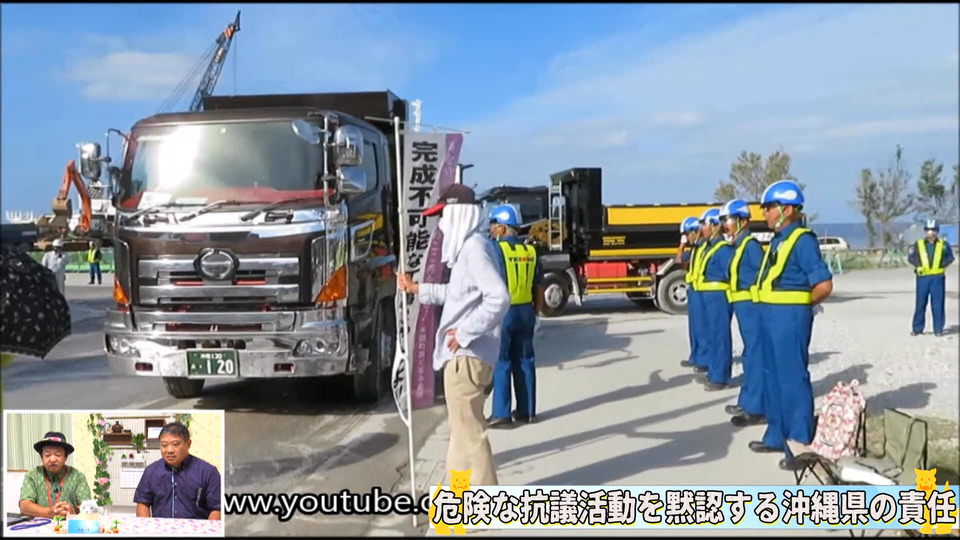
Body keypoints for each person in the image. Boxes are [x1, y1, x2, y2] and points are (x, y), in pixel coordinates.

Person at [397, 184, 510, 487]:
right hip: (465, 357)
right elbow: (457, 293)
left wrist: (464, 332)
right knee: (461, 437)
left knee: (470, 436)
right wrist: (418, 289)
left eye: (443, 215)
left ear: (458, 214)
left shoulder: (474, 250)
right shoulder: (472, 249)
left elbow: (499, 297)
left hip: (466, 357)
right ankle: (456, 500)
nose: (440, 224)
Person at [747, 180, 833, 472]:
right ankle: (777, 435)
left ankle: (799, 443)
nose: (764, 213)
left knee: (792, 378)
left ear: (786, 208)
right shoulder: (778, 240)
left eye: (769, 208)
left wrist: (801, 307)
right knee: (771, 376)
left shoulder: (803, 240)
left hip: (789, 317)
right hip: (769, 315)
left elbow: (823, 285)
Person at [486, 204, 544, 428]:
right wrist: (536, 313)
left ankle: (501, 414)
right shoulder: (531, 251)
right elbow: (539, 285)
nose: (491, 229)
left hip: (505, 313)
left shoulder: (496, 249)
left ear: (502, 228)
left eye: (493, 225)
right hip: (526, 311)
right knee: (525, 361)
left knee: (502, 362)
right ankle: (527, 412)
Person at [719, 199, 766, 426]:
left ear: (743, 221)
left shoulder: (751, 246)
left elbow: (763, 275)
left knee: (756, 355)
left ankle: (757, 408)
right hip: (742, 307)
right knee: (749, 355)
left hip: (752, 306)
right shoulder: (738, 245)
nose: (724, 225)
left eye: (727, 220)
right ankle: (747, 401)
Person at [133, 422, 222, 520]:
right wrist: (146, 527)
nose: (169, 450)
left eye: (175, 444)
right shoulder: (151, 472)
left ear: (188, 444)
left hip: (197, 529)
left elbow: (217, 508)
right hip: (161, 528)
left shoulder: (208, 472)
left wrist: (210, 529)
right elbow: (143, 503)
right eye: (164, 445)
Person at [692, 207, 735, 390]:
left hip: (718, 298)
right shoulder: (710, 246)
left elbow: (730, 273)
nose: (702, 228)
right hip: (708, 297)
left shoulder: (723, 249)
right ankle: (713, 371)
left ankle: (720, 377)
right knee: (711, 335)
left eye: (705, 224)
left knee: (719, 336)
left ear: (716, 226)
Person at [19, 432, 92, 518]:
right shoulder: (32, 475)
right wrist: (48, 512)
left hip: (69, 524)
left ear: (65, 457)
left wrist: (74, 511)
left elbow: (88, 505)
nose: (52, 459)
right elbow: (24, 506)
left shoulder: (77, 477)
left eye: (58, 455)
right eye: (47, 455)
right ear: (42, 457)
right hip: (40, 524)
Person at [908, 219, 954, 336]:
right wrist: (918, 265)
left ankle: (938, 329)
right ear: (925, 231)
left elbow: (950, 258)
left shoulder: (943, 245)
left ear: (937, 231)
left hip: (938, 278)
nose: (931, 232)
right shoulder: (918, 244)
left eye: (933, 230)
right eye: (928, 230)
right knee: (920, 304)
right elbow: (911, 258)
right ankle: (917, 329)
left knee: (938, 305)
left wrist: (942, 265)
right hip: (923, 278)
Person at [677, 216, 704, 371]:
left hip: (703, 292)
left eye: (687, 234)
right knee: (694, 328)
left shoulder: (703, 247)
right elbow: (679, 259)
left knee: (702, 328)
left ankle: (703, 360)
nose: (687, 238)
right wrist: (682, 245)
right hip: (694, 290)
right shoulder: (694, 249)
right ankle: (695, 356)